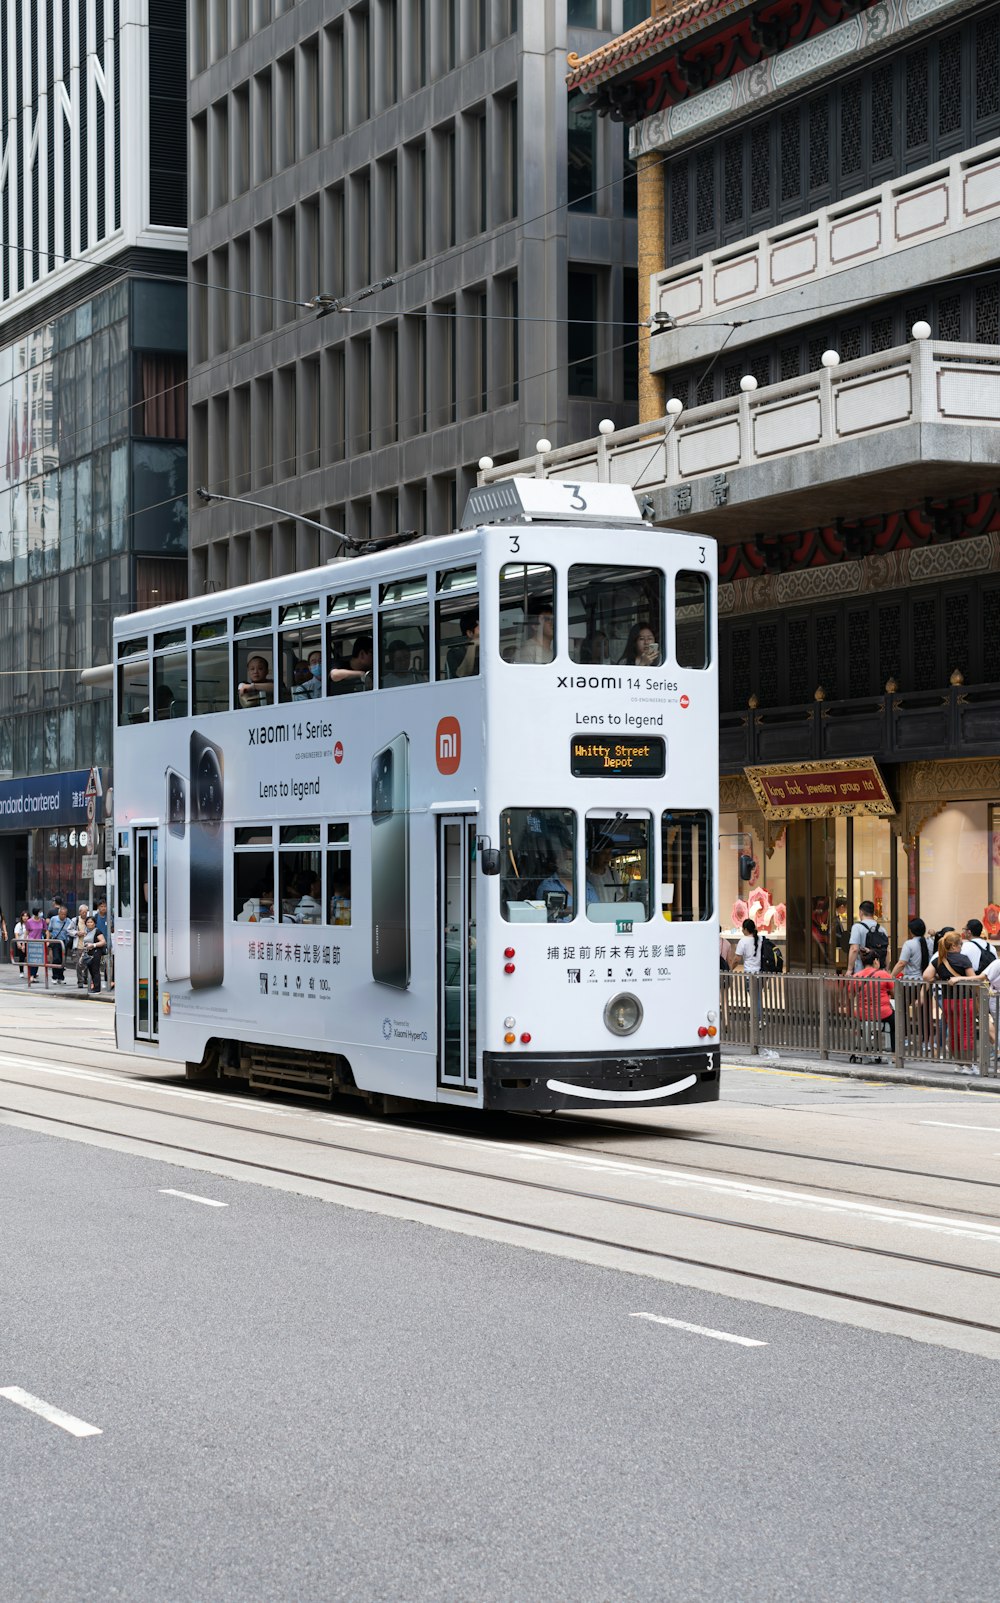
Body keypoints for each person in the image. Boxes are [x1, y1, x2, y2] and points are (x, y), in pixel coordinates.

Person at [923, 930, 977, 1068]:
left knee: (954, 1032)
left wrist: (938, 977)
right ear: (953, 946)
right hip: (964, 1000)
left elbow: (926, 977)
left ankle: (959, 1064)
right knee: (967, 1032)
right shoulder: (963, 959)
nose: (961, 948)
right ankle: (969, 1065)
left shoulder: (939, 960)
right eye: (960, 945)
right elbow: (974, 979)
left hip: (948, 1001)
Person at [892, 916, 933, 1050]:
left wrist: (890, 975)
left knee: (902, 1010)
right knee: (925, 1013)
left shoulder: (909, 944)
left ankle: (904, 1038)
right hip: (925, 983)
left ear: (911, 931)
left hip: (909, 983)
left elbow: (902, 963)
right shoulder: (930, 943)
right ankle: (925, 1041)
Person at [852, 946, 895, 1052]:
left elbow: (851, 995)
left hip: (863, 1014)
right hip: (883, 1014)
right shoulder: (884, 974)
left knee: (863, 1023)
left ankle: (864, 1047)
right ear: (876, 961)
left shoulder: (856, 976)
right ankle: (894, 1052)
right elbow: (895, 993)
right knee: (895, 1023)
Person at [536, 850, 597, 920]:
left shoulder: (587, 886)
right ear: (557, 861)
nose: (574, 863)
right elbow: (549, 917)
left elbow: (596, 913)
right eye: (569, 859)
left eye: (576, 859)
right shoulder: (548, 886)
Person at [847, 899, 889, 975]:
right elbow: (887, 952)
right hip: (878, 973)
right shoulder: (882, 929)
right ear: (873, 913)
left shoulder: (857, 927)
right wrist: (886, 969)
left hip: (862, 972)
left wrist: (849, 970)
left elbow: (854, 949)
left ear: (861, 912)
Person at [516, 598, 554, 664]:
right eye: (547, 619)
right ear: (535, 626)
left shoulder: (553, 653)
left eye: (553, 620)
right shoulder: (527, 651)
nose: (552, 623)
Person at [448, 610, 479, 679]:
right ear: (470, 633)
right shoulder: (454, 653)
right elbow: (461, 674)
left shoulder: (490, 651)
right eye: (481, 628)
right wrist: (472, 645)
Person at [48, 903, 74, 984]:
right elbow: (49, 930)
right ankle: (54, 976)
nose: (63, 916)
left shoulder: (69, 921)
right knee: (56, 959)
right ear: (58, 913)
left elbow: (71, 931)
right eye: (61, 914)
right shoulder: (53, 919)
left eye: (65, 914)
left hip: (64, 943)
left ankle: (61, 977)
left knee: (62, 960)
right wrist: (48, 940)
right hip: (56, 942)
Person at [80, 915, 107, 994]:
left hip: (96, 952)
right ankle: (94, 987)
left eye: (91, 922)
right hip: (88, 953)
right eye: (88, 922)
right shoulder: (87, 932)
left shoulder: (97, 931)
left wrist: (93, 945)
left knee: (95, 970)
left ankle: (97, 989)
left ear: (94, 923)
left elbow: (103, 941)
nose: (89, 924)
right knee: (91, 970)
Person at [24, 907, 46, 984]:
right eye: (40, 912)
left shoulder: (42, 921)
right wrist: (24, 943)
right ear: (36, 913)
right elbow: (26, 932)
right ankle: (31, 976)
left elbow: (45, 930)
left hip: (39, 943)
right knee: (31, 959)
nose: (41, 913)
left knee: (37, 960)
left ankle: (33, 975)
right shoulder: (29, 921)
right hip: (31, 942)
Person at [73, 904, 91, 988]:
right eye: (83, 912)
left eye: (86, 912)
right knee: (79, 964)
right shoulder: (75, 920)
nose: (85, 914)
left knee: (88, 963)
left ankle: (85, 978)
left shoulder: (90, 920)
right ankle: (80, 981)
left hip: (88, 946)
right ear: (80, 912)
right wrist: (77, 933)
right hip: (79, 945)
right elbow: (69, 930)